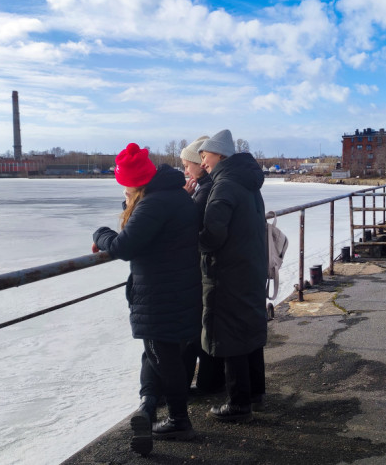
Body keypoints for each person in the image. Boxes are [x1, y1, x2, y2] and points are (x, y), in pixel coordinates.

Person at [91, 143, 200, 455]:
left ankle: (179, 420)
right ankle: (148, 409)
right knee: (156, 355)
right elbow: (146, 229)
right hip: (178, 289)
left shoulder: (154, 203)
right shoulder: (173, 194)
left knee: (163, 359)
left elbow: (124, 246)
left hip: (160, 294)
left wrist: (100, 234)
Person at [197, 130, 268, 422]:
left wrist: (192, 240)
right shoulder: (248, 182)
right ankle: (255, 392)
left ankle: (238, 403)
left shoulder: (224, 185)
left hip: (227, 271)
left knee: (230, 334)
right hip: (250, 267)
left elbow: (213, 235)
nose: (202, 163)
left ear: (220, 155)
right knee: (249, 328)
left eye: (205, 156)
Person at [179, 136, 225, 396]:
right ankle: (210, 381)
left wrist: (184, 201)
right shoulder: (208, 186)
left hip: (204, 268)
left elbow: (189, 225)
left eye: (188, 164)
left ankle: (208, 383)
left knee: (202, 328)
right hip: (208, 267)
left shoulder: (207, 189)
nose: (185, 170)